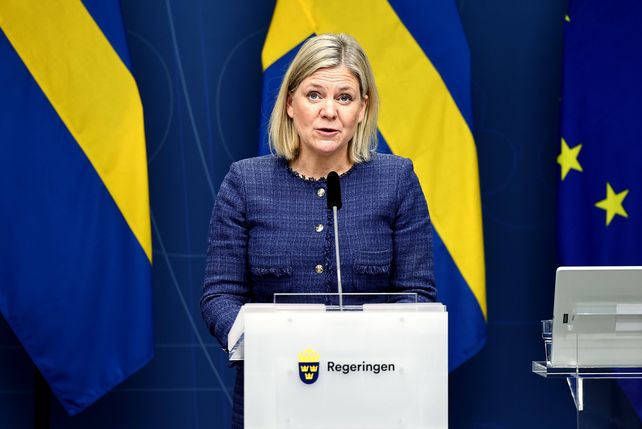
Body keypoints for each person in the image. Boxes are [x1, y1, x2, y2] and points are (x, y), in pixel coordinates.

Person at [201, 33, 436, 429]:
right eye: (314, 95)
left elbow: (417, 294)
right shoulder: (245, 182)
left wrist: (360, 351)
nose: (329, 112)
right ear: (290, 104)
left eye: (344, 98)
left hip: (373, 396)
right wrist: (266, 343)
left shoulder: (396, 180)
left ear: (362, 108)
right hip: (273, 399)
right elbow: (220, 296)